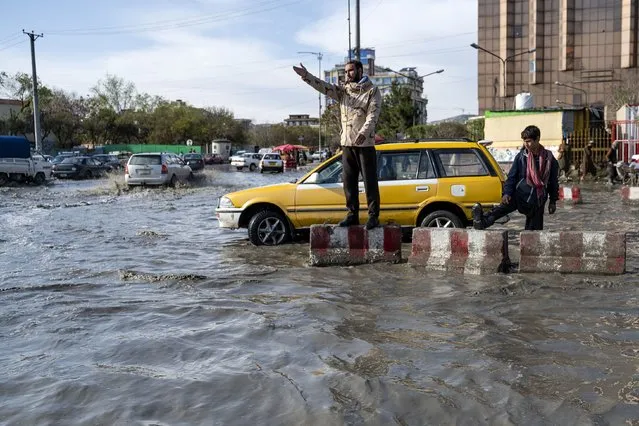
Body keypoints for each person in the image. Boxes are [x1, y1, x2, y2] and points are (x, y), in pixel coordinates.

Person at [293, 60, 382, 229]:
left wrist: (363, 133)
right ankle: (352, 214)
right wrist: (306, 76)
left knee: (370, 181)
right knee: (348, 180)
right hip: (346, 143)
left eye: (350, 71)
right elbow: (323, 86)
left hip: (365, 144)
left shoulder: (372, 91)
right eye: (346, 71)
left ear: (360, 70)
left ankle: (373, 215)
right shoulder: (343, 91)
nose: (347, 74)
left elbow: (373, 115)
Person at [472, 125, 559, 231]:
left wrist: (553, 201)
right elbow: (512, 177)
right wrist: (507, 193)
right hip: (520, 193)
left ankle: (529, 244)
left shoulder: (549, 159)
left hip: (537, 199)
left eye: (529, 141)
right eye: (524, 141)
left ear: (537, 139)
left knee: (534, 230)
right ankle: (482, 221)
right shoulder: (521, 157)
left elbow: (553, 182)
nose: (526, 144)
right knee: (503, 207)